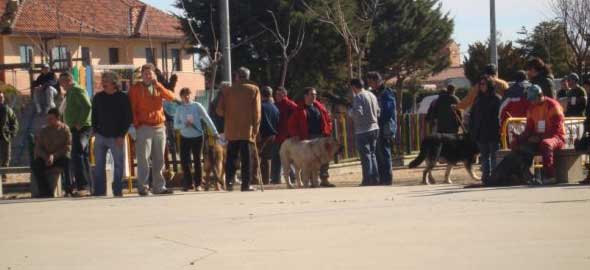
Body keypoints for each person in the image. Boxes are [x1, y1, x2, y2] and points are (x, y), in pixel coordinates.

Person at [129, 63, 176, 196]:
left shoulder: (158, 87)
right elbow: (132, 108)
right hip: (143, 127)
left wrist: (158, 85)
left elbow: (171, 98)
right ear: (141, 75)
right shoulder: (135, 89)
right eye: (145, 74)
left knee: (159, 158)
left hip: (159, 126)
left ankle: (159, 187)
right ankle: (143, 188)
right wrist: (135, 125)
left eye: (150, 73)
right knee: (143, 158)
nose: (148, 76)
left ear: (154, 75)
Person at [216, 67, 261, 192]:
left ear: (237, 76)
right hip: (247, 130)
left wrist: (229, 114)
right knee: (247, 158)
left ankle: (229, 182)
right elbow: (257, 113)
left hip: (231, 129)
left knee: (231, 157)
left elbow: (219, 111)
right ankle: (245, 185)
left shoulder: (227, 91)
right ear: (248, 76)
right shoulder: (254, 89)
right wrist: (256, 129)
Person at [91, 71, 133, 197]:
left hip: (117, 137)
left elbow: (127, 118)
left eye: (106, 80)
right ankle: (99, 192)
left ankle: (117, 190)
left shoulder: (123, 97)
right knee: (98, 165)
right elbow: (94, 116)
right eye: (102, 80)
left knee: (119, 165)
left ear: (114, 83)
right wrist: (95, 130)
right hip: (100, 136)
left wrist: (121, 135)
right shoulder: (98, 97)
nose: (103, 83)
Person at [513, 85, 565, 184]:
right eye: (530, 100)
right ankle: (525, 175)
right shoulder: (531, 108)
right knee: (517, 144)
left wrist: (539, 138)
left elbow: (556, 131)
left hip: (556, 137)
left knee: (546, 144)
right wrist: (519, 138)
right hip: (538, 138)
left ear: (540, 95)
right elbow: (528, 129)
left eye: (533, 99)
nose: (531, 102)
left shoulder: (553, 106)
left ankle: (550, 176)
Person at [287, 87, 335, 187]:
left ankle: (324, 179)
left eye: (315, 94)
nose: (314, 96)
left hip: (321, 137)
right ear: (305, 96)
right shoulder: (298, 109)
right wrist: (295, 135)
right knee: (310, 160)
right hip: (307, 138)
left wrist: (328, 130)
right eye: (312, 94)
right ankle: (311, 181)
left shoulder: (320, 107)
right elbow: (291, 124)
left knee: (325, 158)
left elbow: (328, 120)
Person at [174, 87, 219, 191]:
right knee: (185, 161)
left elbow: (207, 118)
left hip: (197, 136)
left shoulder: (197, 106)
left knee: (197, 160)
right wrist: (184, 125)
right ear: (180, 97)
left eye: (188, 94)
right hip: (184, 137)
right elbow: (176, 125)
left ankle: (198, 184)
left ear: (191, 95)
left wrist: (215, 132)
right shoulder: (179, 109)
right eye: (184, 95)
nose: (186, 97)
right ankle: (189, 183)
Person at [59, 72, 92, 196]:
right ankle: (86, 186)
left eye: (62, 82)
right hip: (74, 128)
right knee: (81, 156)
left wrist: (80, 122)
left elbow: (87, 106)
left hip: (81, 128)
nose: (61, 85)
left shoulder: (77, 89)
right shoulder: (70, 92)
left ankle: (83, 186)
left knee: (78, 155)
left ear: (68, 80)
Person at [31, 109, 72, 197]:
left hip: (58, 158)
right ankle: (45, 191)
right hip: (46, 158)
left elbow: (67, 147)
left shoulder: (65, 130)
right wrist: (46, 157)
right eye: (48, 119)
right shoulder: (43, 131)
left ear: (58, 118)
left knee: (67, 161)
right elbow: (38, 148)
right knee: (36, 164)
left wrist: (54, 156)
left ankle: (69, 189)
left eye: (51, 119)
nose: (48, 121)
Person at [469, 77, 502, 184]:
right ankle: (485, 178)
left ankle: (495, 177)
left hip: (493, 132)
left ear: (489, 85)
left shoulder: (496, 99)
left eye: (483, 84)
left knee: (494, 156)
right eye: (480, 84)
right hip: (480, 132)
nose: (481, 86)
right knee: (484, 157)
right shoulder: (478, 99)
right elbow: (472, 116)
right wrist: (473, 130)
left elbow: (500, 116)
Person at [366, 71, 396, 186]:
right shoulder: (374, 93)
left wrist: (376, 117)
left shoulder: (386, 93)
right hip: (376, 126)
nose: (370, 84)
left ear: (377, 81)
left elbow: (388, 111)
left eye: (371, 82)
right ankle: (381, 178)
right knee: (377, 153)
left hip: (384, 127)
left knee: (384, 152)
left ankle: (387, 178)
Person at [349, 79, 380, 186]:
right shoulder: (372, 95)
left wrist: (350, 112)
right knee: (372, 154)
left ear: (354, 87)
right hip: (375, 127)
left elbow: (358, 112)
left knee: (365, 156)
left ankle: (367, 180)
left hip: (363, 130)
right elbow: (378, 111)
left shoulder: (358, 97)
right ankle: (375, 178)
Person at [271, 86, 298, 184]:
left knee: (287, 158)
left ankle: (292, 177)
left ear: (284, 94)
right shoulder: (275, 105)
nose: (277, 96)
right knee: (278, 157)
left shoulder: (290, 105)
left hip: (286, 136)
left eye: (279, 94)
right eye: (276, 94)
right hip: (278, 136)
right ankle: (276, 179)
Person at [257, 86, 279, 185]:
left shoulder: (261, 106)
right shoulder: (275, 108)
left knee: (256, 158)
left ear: (261, 95)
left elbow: (258, 121)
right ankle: (266, 180)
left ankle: (255, 179)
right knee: (267, 159)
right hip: (273, 135)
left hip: (262, 135)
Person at [0, 92, 18, 182]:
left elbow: (14, 122)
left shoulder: (7, 109)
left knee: (6, 157)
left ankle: (4, 175)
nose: (0, 99)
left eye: (1, 97)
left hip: (5, 136)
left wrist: (12, 133)